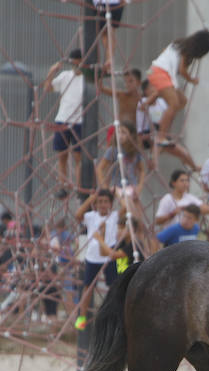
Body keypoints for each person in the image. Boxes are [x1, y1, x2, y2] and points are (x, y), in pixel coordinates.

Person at [148, 29, 209, 151]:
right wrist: (192, 80)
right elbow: (183, 70)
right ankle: (161, 135)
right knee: (173, 104)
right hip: (159, 72)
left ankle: (164, 124)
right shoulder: (185, 50)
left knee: (182, 101)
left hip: (157, 71)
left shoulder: (178, 44)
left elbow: (165, 53)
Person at [74, 190, 119, 330]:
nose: (103, 205)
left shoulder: (114, 216)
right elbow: (78, 215)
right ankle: (82, 316)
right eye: (100, 202)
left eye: (106, 202)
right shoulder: (91, 216)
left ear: (111, 204)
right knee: (88, 287)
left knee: (114, 287)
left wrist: (118, 195)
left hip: (109, 256)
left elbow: (126, 210)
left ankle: (115, 315)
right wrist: (90, 199)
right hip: (92, 257)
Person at [43, 49, 85, 199]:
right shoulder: (65, 76)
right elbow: (47, 88)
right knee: (62, 156)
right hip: (62, 119)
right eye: (74, 62)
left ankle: (79, 188)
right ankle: (63, 187)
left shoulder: (87, 79)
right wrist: (51, 71)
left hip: (80, 121)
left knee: (78, 157)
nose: (76, 65)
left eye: (78, 62)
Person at [95, 121, 147, 197]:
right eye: (118, 132)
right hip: (116, 187)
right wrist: (105, 188)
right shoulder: (113, 150)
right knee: (125, 203)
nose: (120, 135)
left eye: (124, 133)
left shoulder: (135, 151)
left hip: (132, 186)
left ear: (131, 135)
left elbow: (142, 170)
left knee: (134, 205)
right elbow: (99, 169)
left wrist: (140, 186)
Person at [98, 68, 143, 146]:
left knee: (136, 149)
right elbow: (100, 88)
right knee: (111, 149)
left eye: (131, 81)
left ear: (139, 83)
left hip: (133, 131)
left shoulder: (142, 98)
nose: (127, 84)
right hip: (119, 128)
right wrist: (101, 75)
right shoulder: (121, 95)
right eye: (125, 82)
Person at [93, 0, 126, 72]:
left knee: (107, 32)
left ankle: (109, 60)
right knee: (108, 32)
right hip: (112, 4)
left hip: (105, 4)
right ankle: (109, 59)